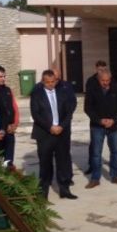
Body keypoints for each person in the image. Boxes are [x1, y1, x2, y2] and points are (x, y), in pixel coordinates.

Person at [30, 70, 77, 199]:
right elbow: (36, 114)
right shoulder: (37, 94)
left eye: (53, 82)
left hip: (62, 132)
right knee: (45, 162)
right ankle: (44, 190)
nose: (51, 84)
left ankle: (64, 189)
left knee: (63, 160)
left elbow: (69, 112)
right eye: (48, 82)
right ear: (43, 81)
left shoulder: (63, 92)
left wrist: (61, 126)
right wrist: (50, 127)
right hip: (45, 133)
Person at [84, 70, 117, 188]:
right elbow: (88, 108)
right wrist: (99, 120)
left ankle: (115, 175)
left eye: (108, 80)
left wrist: (113, 120)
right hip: (97, 126)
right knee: (96, 153)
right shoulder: (92, 89)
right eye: (103, 80)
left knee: (115, 152)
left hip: (114, 126)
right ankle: (95, 178)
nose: (105, 83)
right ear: (98, 79)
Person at [0, 65, 19, 168]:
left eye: (4, 76)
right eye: (0, 76)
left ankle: (9, 172)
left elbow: (14, 107)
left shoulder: (7, 90)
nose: (3, 79)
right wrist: (3, 126)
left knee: (9, 160)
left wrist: (15, 124)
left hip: (10, 130)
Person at [84, 60, 109, 176]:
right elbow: (89, 102)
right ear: (96, 69)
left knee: (114, 146)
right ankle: (92, 166)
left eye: (103, 69)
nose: (101, 72)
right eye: (99, 69)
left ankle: (115, 166)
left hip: (110, 119)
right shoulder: (91, 81)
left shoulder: (110, 79)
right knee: (94, 145)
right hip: (96, 118)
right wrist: (96, 118)